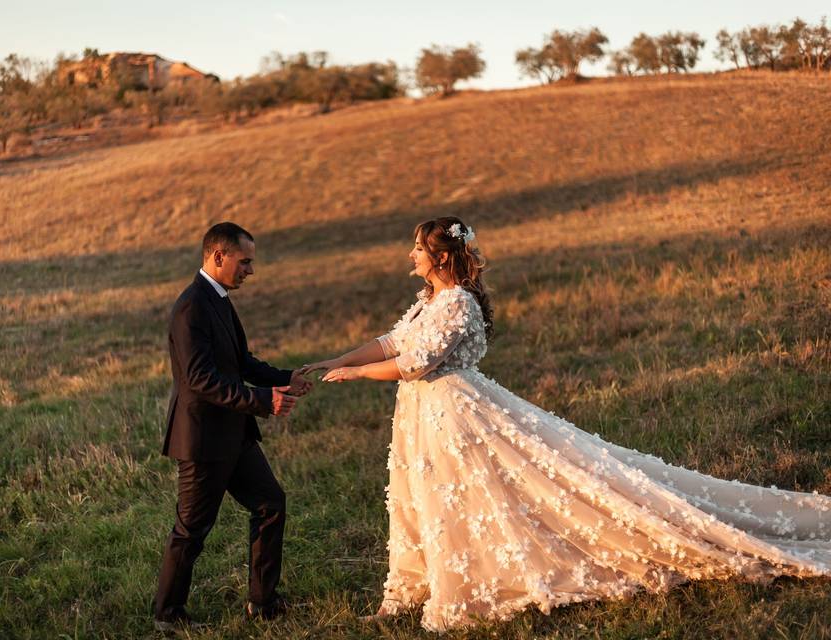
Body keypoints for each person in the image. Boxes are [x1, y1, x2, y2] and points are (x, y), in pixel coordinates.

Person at [303, 216, 831, 632]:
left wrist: (353, 376)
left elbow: (416, 364)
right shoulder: (429, 300)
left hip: (456, 412)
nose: (410, 256)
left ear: (440, 255)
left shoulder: (458, 302)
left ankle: (471, 584)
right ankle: (412, 587)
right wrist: (335, 360)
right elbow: (393, 342)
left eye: (417, 248)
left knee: (491, 492)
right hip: (423, 416)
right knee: (427, 497)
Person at [153, 222, 312, 632]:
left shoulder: (219, 299)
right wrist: (263, 401)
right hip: (203, 440)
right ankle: (168, 616)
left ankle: (263, 602)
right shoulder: (191, 306)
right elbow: (200, 380)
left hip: (234, 435)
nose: (250, 270)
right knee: (191, 531)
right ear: (217, 256)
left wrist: (284, 378)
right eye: (245, 262)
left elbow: (241, 363)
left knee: (270, 503)